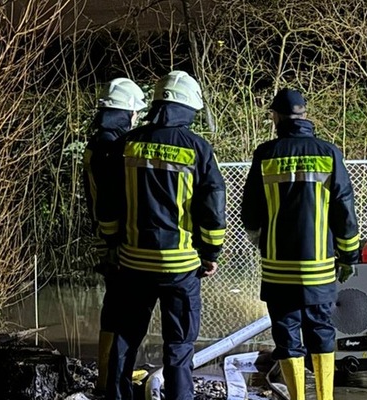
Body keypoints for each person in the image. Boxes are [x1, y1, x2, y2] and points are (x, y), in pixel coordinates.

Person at [100, 70, 227, 400]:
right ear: (188, 108)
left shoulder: (127, 144)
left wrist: (113, 243)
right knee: (179, 346)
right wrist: (211, 252)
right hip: (181, 266)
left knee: (125, 339)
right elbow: (212, 205)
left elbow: (109, 199)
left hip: (132, 263)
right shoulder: (197, 148)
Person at [240, 88, 360, 400]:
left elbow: (250, 212)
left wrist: (262, 243)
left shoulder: (265, 154)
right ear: (304, 115)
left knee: (286, 334)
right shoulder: (328, 152)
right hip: (319, 267)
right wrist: (348, 256)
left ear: (275, 117)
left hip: (278, 267)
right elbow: (344, 209)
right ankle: (325, 397)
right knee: (321, 331)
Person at [82, 77, 147, 394]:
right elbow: (114, 200)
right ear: (127, 113)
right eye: (135, 114)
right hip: (117, 241)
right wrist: (115, 242)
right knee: (125, 311)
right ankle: (111, 379)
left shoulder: (97, 143)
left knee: (115, 307)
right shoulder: (112, 147)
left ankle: (111, 374)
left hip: (106, 237)